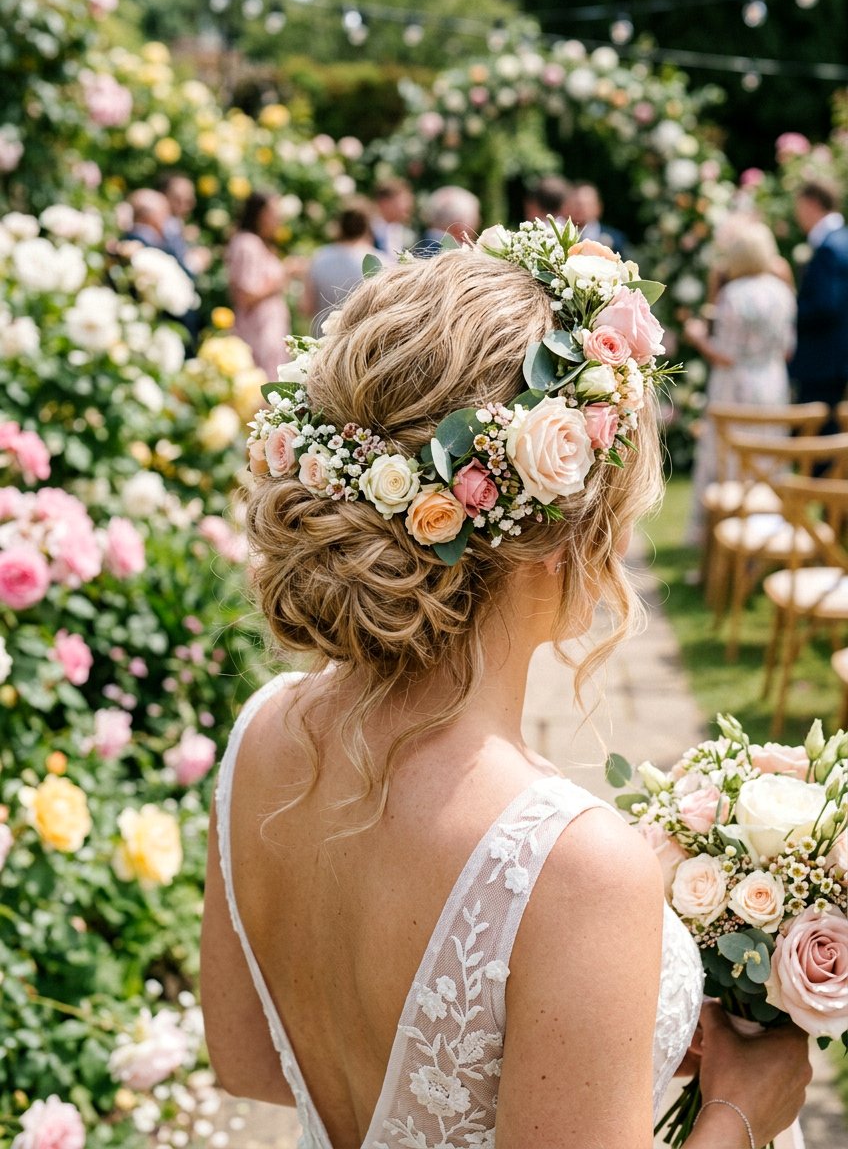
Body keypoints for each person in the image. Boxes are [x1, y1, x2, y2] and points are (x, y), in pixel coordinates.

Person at [201, 238, 810, 1149]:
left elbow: (250, 1062)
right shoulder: (573, 866)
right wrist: (741, 1112)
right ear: (564, 533)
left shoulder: (260, 734)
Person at [683, 222, 797, 545]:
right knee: (766, 458)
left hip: (736, 387)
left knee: (728, 458)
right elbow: (788, 349)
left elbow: (727, 355)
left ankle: (722, 536)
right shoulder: (783, 292)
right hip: (773, 382)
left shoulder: (732, 295)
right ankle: (766, 533)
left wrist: (698, 338)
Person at [789, 180, 848, 429]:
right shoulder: (841, 239)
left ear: (812, 204)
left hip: (823, 361)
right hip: (835, 359)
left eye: (799, 206)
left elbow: (826, 305)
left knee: (818, 439)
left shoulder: (829, 247)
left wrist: (789, 313)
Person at [226, 191, 292, 380]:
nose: (278, 218)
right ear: (259, 214)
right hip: (258, 331)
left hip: (270, 329)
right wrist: (282, 277)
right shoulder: (246, 244)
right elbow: (244, 295)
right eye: (273, 212)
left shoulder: (258, 244)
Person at [123, 188, 201, 347]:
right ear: (150, 215)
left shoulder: (147, 241)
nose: (167, 220)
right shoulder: (141, 243)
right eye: (164, 213)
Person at [301, 197, 384, 338]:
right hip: (362, 346)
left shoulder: (320, 257)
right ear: (368, 225)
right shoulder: (381, 260)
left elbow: (306, 307)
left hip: (324, 344)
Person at [158, 173, 212, 277]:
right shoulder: (166, 225)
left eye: (190, 199)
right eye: (180, 199)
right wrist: (197, 261)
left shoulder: (176, 225)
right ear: (163, 195)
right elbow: (178, 267)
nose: (189, 204)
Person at [564, 181, 630, 258]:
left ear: (598, 207)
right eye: (576, 204)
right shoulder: (556, 238)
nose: (581, 209)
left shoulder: (616, 239)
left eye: (587, 205)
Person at [415, 186, 480, 255]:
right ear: (458, 224)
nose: (478, 223)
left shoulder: (418, 243)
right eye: (476, 218)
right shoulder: (455, 254)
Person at [371, 178, 415, 262]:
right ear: (385, 202)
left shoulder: (403, 232)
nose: (409, 206)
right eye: (404, 200)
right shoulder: (368, 230)